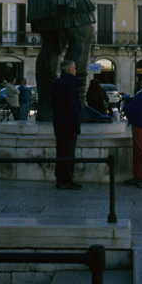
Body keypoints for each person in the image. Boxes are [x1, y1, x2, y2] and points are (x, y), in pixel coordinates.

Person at [50, 59, 82, 190]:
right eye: (74, 68)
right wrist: (76, 126)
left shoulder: (57, 83)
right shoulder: (70, 84)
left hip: (59, 123)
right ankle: (67, 180)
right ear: (69, 70)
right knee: (68, 153)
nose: (75, 70)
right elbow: (73, 107)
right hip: (68, 124)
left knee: (61, 152)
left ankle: (60, 178)